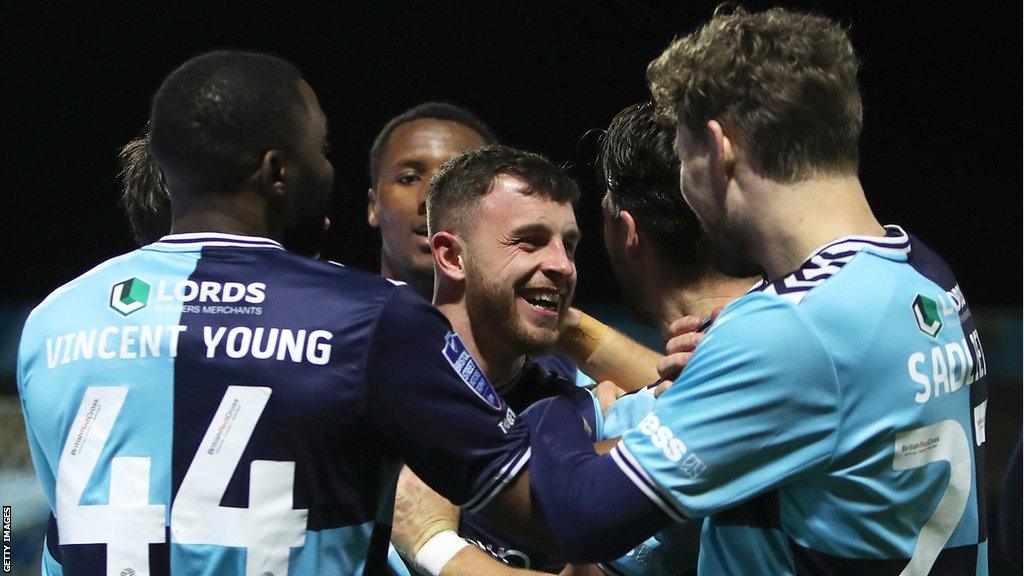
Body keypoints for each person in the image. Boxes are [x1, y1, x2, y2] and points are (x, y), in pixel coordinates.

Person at [17, 50, 537, 575]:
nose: (328, 167)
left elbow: (53, 523)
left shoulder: (52, 322)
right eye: (323, 150)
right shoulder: (365, 323)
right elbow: (572, 512)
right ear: (278, 173)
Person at [520, 6, 990, 574]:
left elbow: (583, 519)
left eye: (684, 157)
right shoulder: (925, 272)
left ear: (719, 150)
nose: (687, 186)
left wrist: (561, 406)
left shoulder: (788, 329)